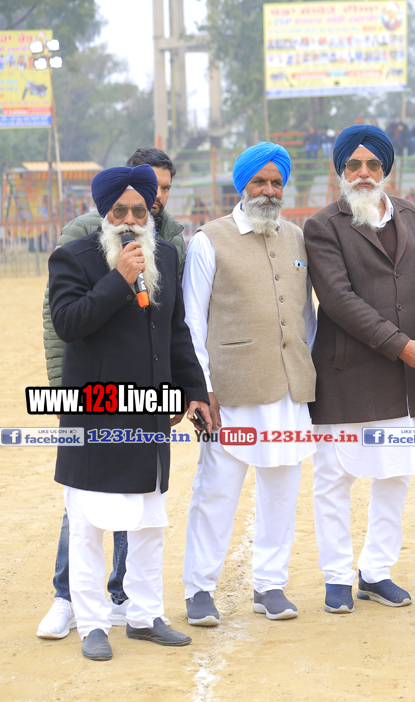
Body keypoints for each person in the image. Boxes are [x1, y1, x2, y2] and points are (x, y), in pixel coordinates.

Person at [48, 164, 211, 660]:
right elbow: (68, 323)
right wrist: (118, 279)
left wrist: (194, 390)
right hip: (95, 416)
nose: (130, 220)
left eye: (139, 211)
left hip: (150, 415)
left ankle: (144, 616)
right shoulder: (73, 257)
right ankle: (92, 624)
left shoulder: (165, 255)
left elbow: (176, 330)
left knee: (148, 523)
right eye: (119, 211)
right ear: (104, 213)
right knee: (89, 527)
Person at [303, 124, 415, 613]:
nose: (363, 173)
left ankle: (376, 570)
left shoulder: (411, 214)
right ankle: (336, 576)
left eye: (373, 165)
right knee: (334, 477)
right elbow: (338, 299)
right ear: (340, 171)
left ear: (386, 169)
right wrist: (400, 344)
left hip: (405, 372)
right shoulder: (323, 226)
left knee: (395, 475)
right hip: (348, 370)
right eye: (354, 165)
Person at [181, 142, 318, 625]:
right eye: (259, 182)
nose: (269, 191)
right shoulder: (209, 239)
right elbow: (192, 320)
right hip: (230, 391)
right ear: (242, 186)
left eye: (276, 182)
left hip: (288, 391)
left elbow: (306, 317)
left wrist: (305, 370)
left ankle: (270, 585)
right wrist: (200, 387)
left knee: (281, 490)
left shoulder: (297, 238)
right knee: (217, 491)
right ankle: (199, 589)